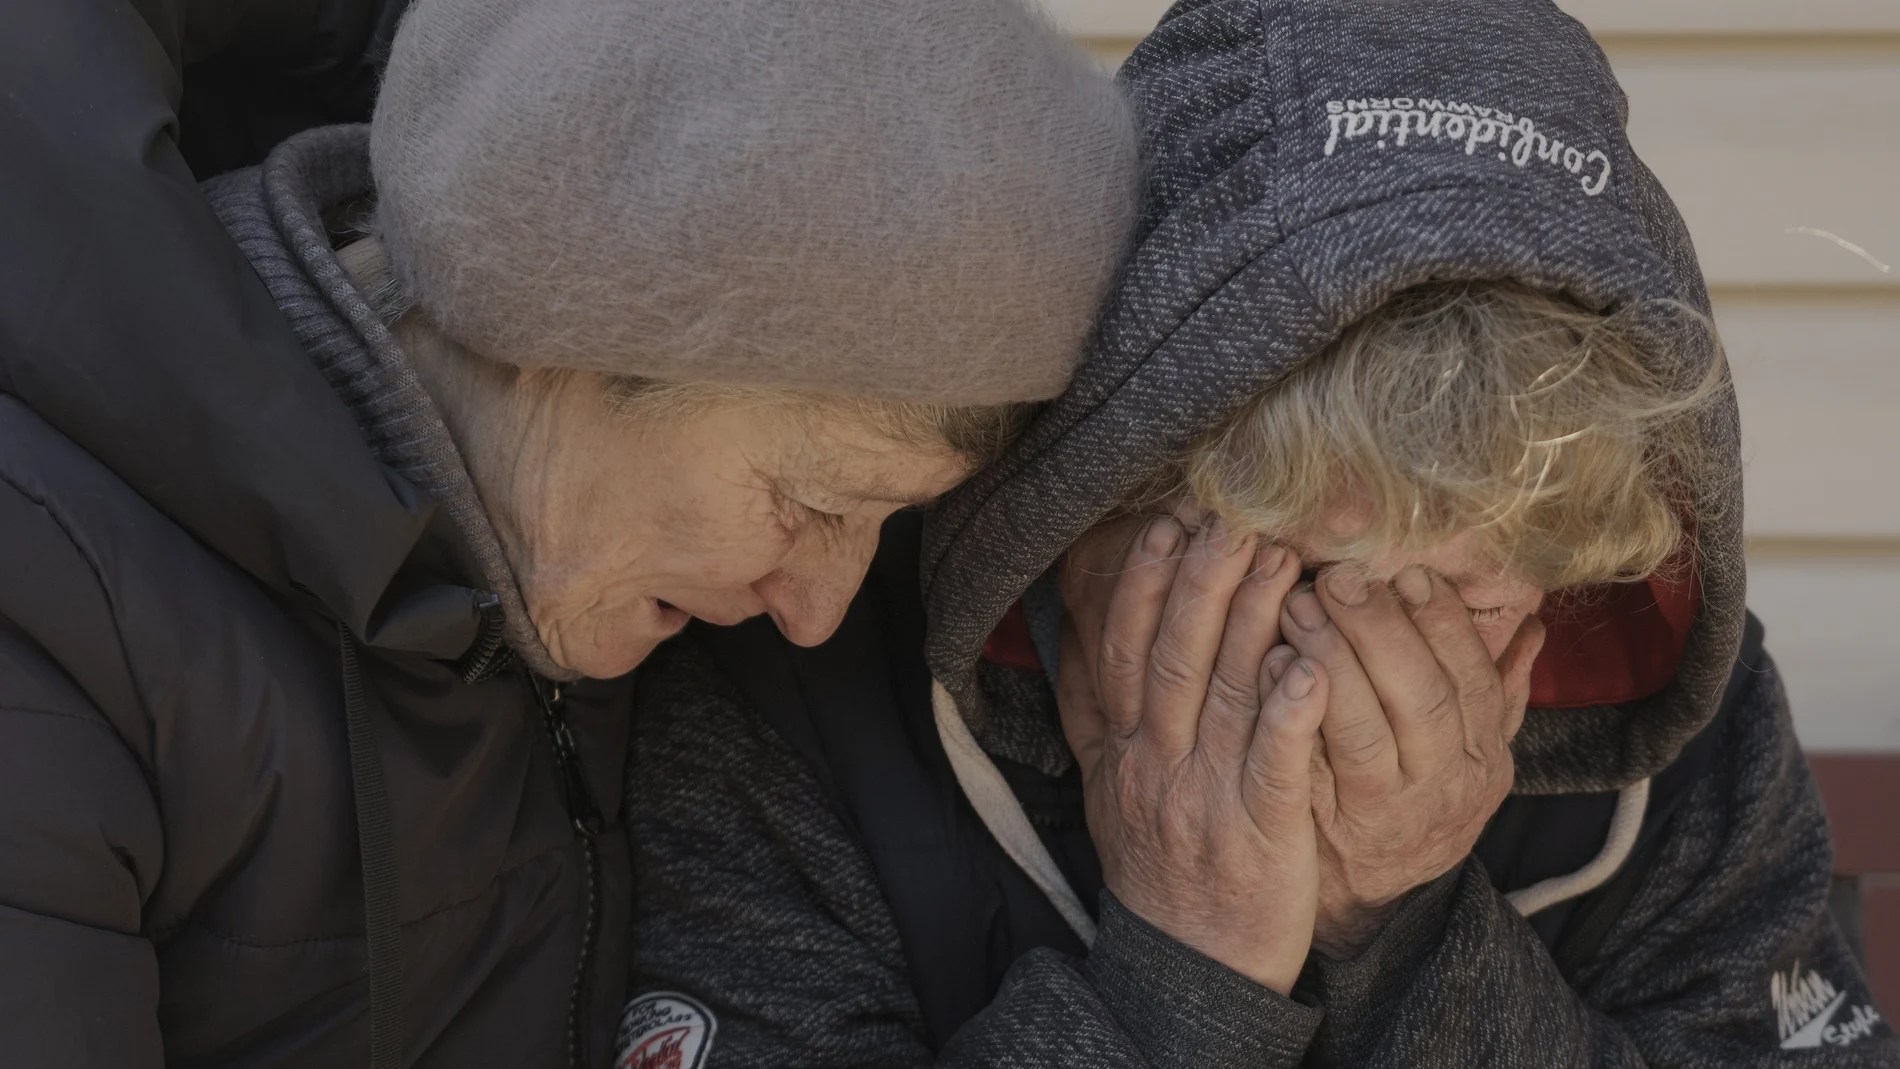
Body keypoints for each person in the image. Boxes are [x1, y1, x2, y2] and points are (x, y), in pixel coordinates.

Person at [622, 0, 1898, 1065]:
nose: (1374, 680)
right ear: (1102, 483)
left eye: (1476, 595)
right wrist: (1181, 973)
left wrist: (1402, 932)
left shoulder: (1670, 728)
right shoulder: (799, 675)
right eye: (1320, 582)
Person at [0, 0, 1139, 1064]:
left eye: (887, 523)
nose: (815, 610)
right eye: (813, 504)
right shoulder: (48, 615)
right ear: (562, 329)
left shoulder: (576, 565)